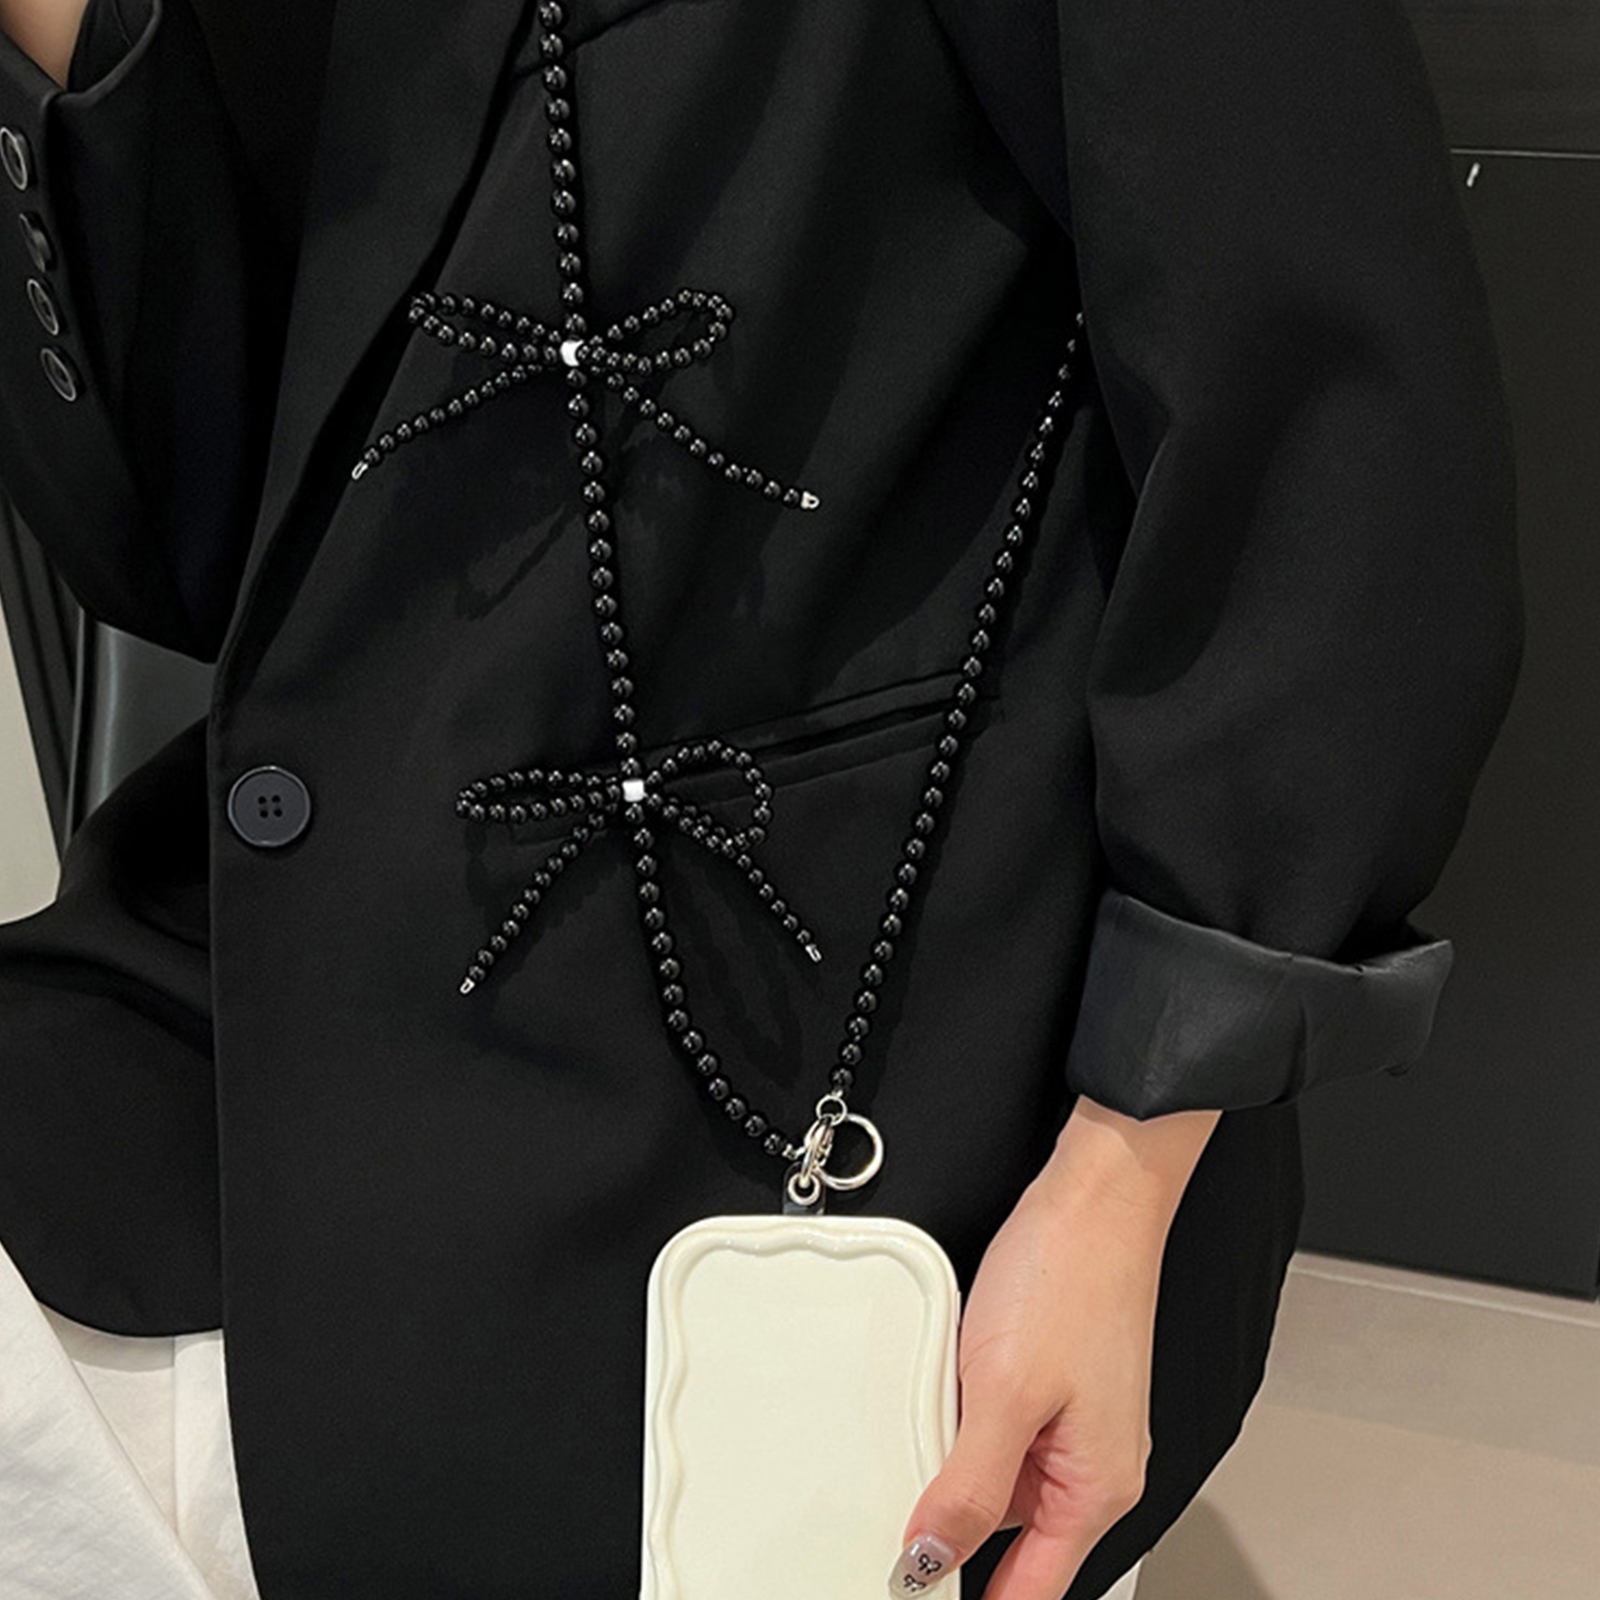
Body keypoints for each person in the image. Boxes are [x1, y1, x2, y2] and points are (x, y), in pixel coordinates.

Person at [0, 2, 1522, 1598]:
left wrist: (1124, 1167)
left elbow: (1333, 437)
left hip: (839, 1034)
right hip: (244, 989)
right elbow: (178, 551)